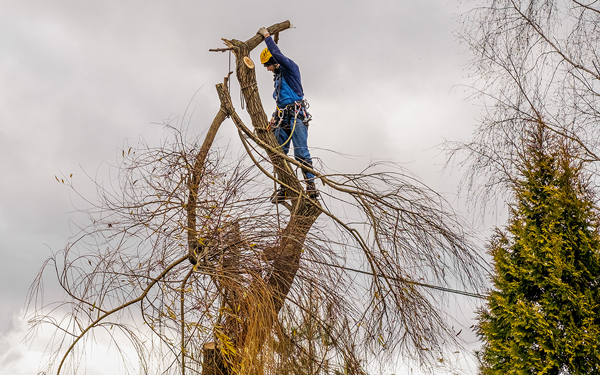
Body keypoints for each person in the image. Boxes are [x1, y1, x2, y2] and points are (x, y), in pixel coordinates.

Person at [257, 27, 319, 203]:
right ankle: (285, 188)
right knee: (279, 153)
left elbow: (277, 54)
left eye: (267, 65)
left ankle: (311, 186)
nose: (267, 69)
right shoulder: (278, 77)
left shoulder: (290, 68)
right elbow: (280, 101)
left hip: (297, 116)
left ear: (273, 61)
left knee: (300, 153)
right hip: (282, 118)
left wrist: (267, 37)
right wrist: (274, 117)